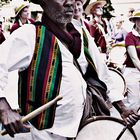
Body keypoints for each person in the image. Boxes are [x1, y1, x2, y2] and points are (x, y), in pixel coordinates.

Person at [0, 0, 139, 140]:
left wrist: (122, 108)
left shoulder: (81, 33)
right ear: (43, 2)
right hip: (49, 134)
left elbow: (103, 74)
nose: (70, 2)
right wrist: (3, 108)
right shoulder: (30, 34)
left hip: (85, 126)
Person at [123, 10, 140, 111]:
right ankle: (127, 125)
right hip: (132, 71)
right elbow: (134, 59)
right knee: (134, 103)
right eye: (139, 20)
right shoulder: (130, 36)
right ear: (135, 21)